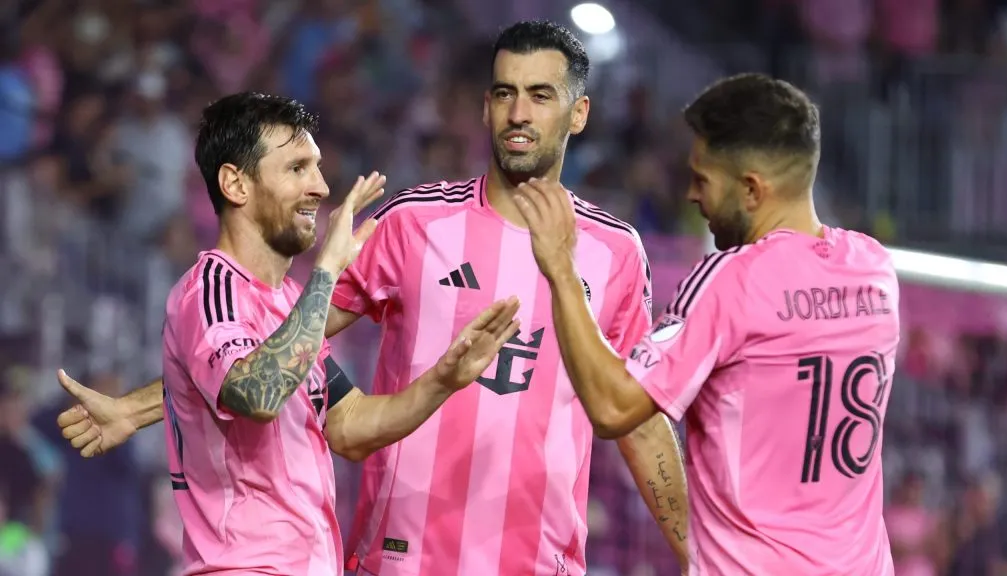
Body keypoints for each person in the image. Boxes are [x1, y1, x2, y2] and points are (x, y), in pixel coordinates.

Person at [55, 21, 690, 575]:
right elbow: (284, 342)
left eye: (541, 96)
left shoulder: (616, 252)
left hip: (540, 560)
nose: (519, 113)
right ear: (485, 107)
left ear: (577, 114)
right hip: (400, 558)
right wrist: (139, 408)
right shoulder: (412, 224)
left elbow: (636, 415)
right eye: (504, 93)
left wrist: (699, 554)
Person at [57, 91, 520, 575]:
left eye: (317, 168)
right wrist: (327, 272)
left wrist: (443, 379)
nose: (320, 187)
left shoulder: (283, 307)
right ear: (236, 184)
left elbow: (350, 424)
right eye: (297, 168)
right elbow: (256, 393)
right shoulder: (210, 290)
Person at [512, 73, 900, 574]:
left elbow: (612, 408)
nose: (693, 196)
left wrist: (562, 268)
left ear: (752, 190)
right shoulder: (873, 270)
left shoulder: (731, 280)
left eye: (703, 179)